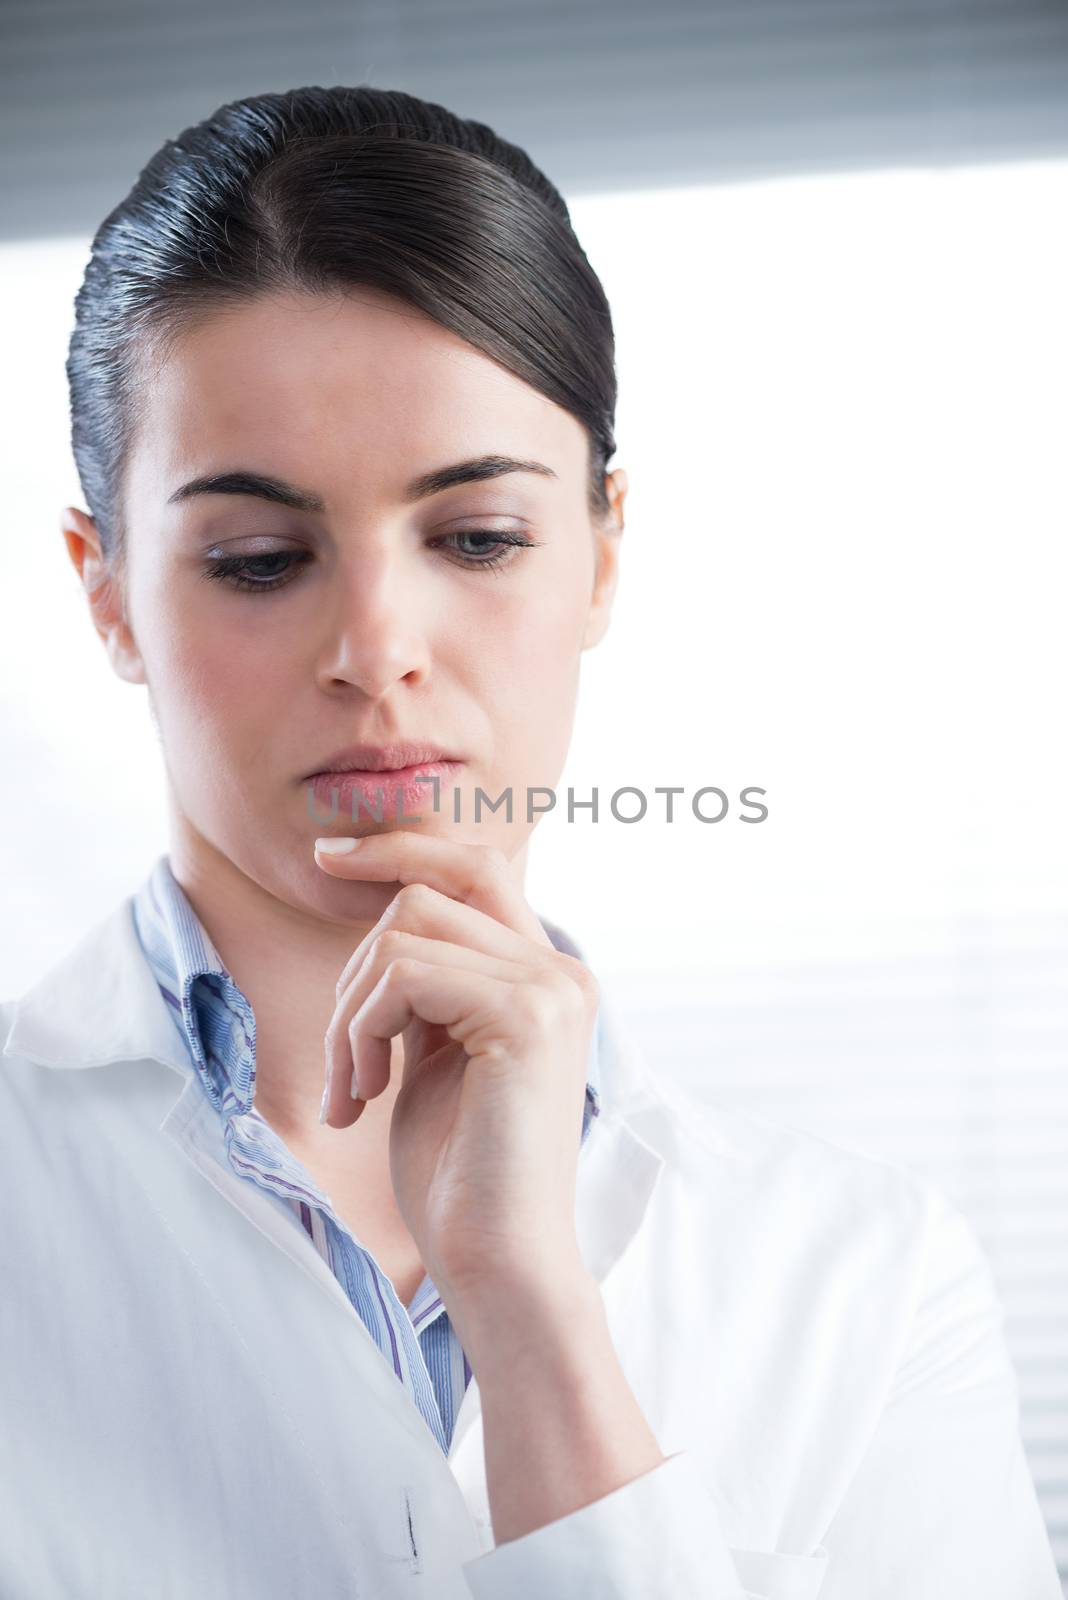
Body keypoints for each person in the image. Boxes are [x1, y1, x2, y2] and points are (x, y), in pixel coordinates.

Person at [0, 84, 1060, 1600]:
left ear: (602, 554)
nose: (379, 649)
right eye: (257, 559)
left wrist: (532, 1311)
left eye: (477, 538)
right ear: (104, 591)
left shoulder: (867, 1282)